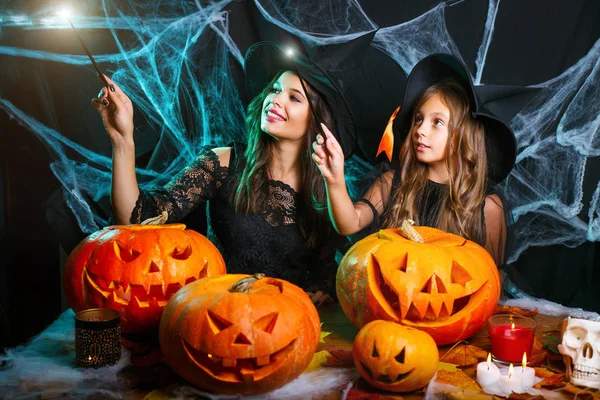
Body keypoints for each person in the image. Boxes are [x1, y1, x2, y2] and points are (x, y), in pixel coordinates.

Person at [90, 39, 371, 306]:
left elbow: (328, 274)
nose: (274, 100)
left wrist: (320, 293)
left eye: (294, 98)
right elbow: (136, 219)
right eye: (274, 90)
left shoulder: (326, 191)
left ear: (318, 122)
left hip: (286, 324)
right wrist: (122, 140)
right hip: (219, 316)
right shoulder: (223, 162)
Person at [312, 53, 518, 265]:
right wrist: (334, 179)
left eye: (437, 122)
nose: (420, 130)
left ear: (463, 136)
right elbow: (350, 223)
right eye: (419, 119)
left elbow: (490, 278)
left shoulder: (487, 207)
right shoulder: (391, 183)